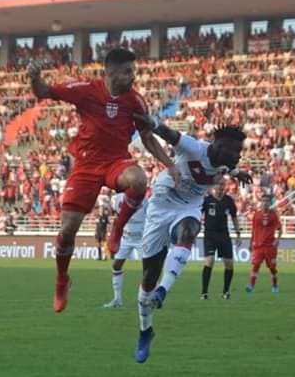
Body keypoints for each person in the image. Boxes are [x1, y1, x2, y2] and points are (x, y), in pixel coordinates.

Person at [28, 48, 179, 313]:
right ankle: (62, 279)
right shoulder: (86, 89)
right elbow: (44, 92)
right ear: (111, 72)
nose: (133, 76)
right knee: (67, 230)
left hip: (115, 161)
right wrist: (34, 77)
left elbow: (147, 138)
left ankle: (117, 230)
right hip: (86, 165)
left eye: (134, 71)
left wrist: (171, 165)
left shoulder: (136, 101)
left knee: (139, 180)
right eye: (128, 71)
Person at [130, 115, 250, 363]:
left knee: (188, 231)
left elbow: (229, 167)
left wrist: (239, 173)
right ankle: (145, 330)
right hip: (161, 206)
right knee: (147, 279)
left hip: (189, 208)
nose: (238, 155)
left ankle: (163, 290)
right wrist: (148, 121)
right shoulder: (194, 147)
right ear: (218, 146)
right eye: (236, 151)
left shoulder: (224, 162)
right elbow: (168, 134)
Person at [103, 192, 148, 308]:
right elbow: (114, 216)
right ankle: (117, 300)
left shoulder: (145, 199)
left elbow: (150, 217)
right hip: (126, 237)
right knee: (116, 266)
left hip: (141, 238)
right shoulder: (117, 198)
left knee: (148, 269)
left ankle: (149, 297)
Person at [200, 177, 240, 300]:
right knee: (210, 261)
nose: (221, 187)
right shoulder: (207, 201)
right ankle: (204, 292)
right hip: (210, 235)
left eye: (223, 185)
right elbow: (197, 214)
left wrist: (238, 233)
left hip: (224, 235)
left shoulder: (228, 201)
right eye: (219, 184)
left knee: (229, 264)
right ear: (213, 186)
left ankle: (226, 291)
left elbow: (234, 217)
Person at [246, 194, 282, 293]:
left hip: (270, 246)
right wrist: (250, 243)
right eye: (263, 201)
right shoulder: (256, 215)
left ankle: (274, 286)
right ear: (261, 202)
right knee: (255, 265)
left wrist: (278, 240)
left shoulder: (273, 215)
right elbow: (253, 230)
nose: (265, 203)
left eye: (267, 201)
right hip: (258, 246)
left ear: (270, 203)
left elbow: (280, 229)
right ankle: (251, 286)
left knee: (272, 268)